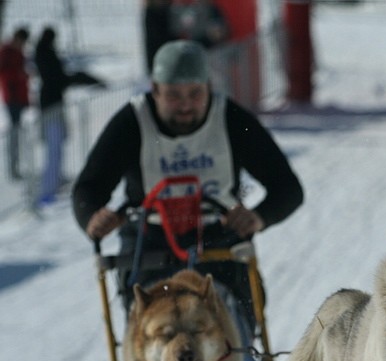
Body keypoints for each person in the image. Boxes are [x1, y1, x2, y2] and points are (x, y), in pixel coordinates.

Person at [72, 40, 303, 335]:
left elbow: (288, 188)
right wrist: (92, 216)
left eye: (195, 94)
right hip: (149, 246)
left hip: (218, 243)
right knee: (156, 329)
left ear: (209, 87)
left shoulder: (231, 119)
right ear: (155, 90)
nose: (185, 105)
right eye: (173, 96)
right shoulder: (132, 123)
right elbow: (88, 188)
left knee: (226, 323)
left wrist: (258, 217)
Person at [34, 26, 104, 206]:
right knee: (53, 146)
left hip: (54, 104)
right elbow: (57, 78)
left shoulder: (45, 53)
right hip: (51, 107)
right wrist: (81, 78)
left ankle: (55, 180)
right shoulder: (45, 55)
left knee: (57, 145)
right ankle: (48, 188)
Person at [0, 27, 29, 180]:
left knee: (17, 131)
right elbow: (5, 73)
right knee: (14, 132)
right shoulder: (7, 52)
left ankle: (16, 165)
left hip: (19, 97)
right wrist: (18, 76)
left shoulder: (17, 52)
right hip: (12, 97)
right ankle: (12, 167)